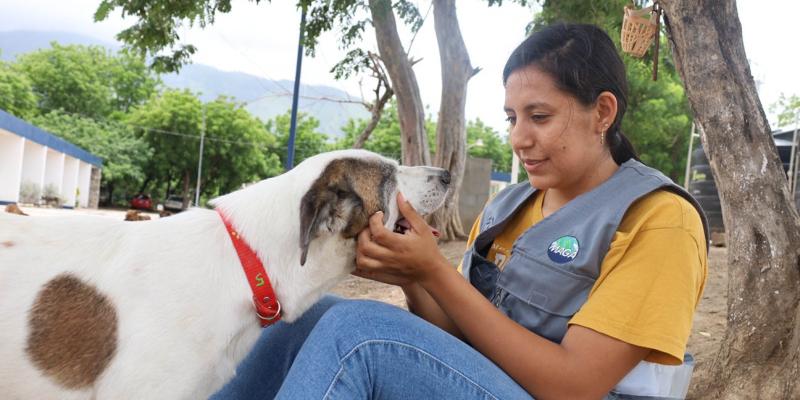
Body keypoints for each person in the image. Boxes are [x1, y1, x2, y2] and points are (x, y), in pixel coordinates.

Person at [211, 22, 708, 400]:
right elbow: (458, 334)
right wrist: (409, 274)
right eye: (512, 118)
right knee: (303, 316)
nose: (519, 138)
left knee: (357, 335)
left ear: (602, 112)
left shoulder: (659, 219)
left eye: (540, 116)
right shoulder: (511, 205)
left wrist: (434, 272)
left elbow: (575, 385)